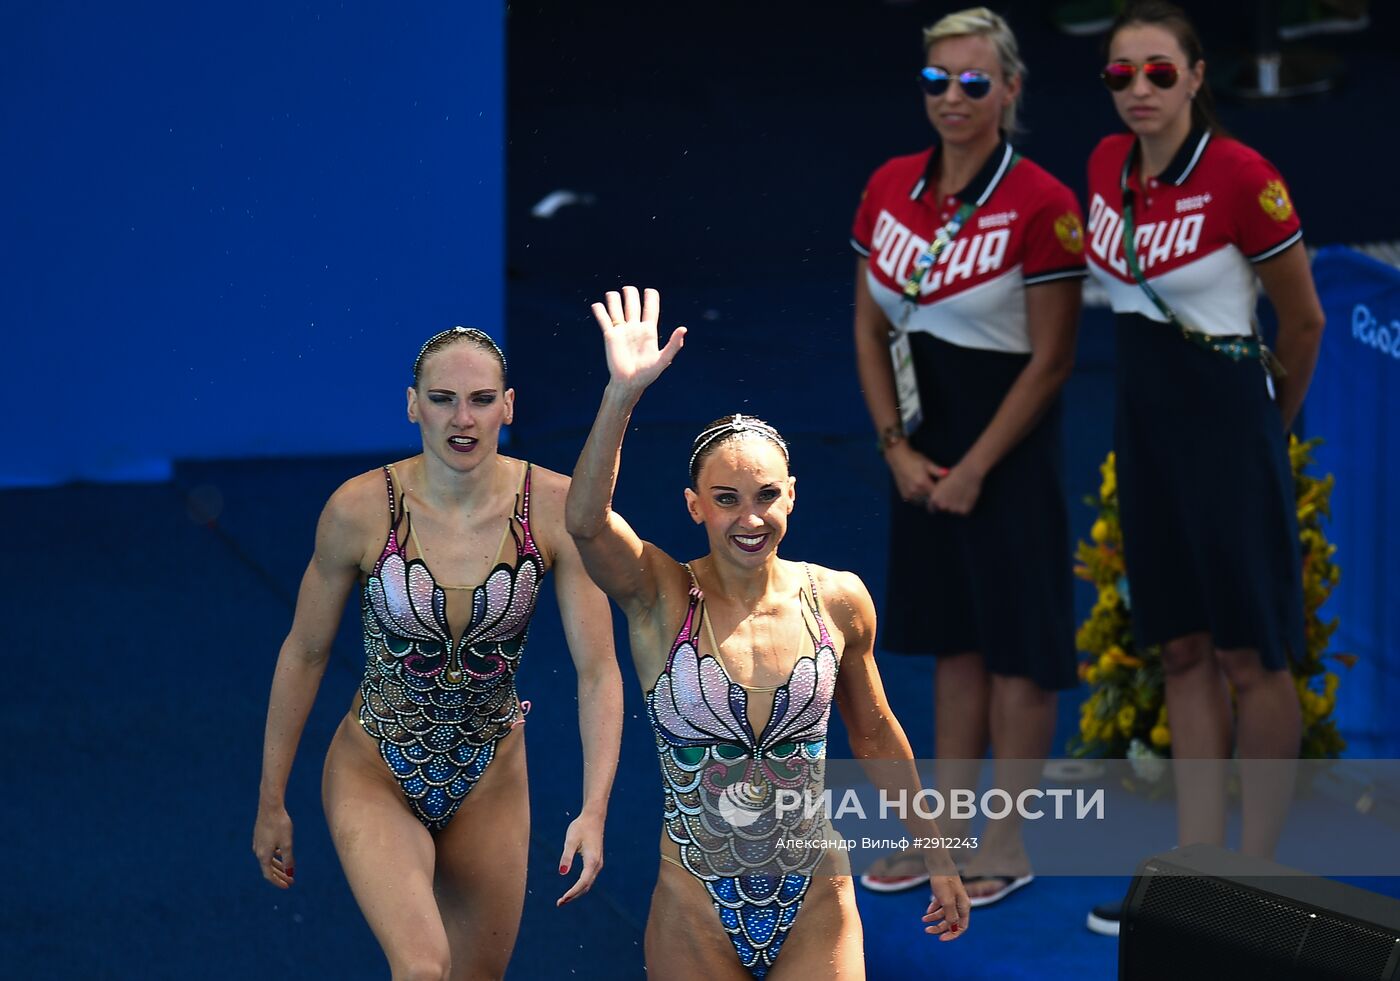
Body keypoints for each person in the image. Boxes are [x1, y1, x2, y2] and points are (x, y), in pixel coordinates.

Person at [566, 286, 970, 978]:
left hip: (817, 897)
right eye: (726, 500)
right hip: (693, 905)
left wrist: (935, 852)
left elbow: (874, 732)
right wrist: (621, 396)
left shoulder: (838, 599)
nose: (749, 518)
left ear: (792, 494)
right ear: (695, 507)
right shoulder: (661, 594)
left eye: (766, 496)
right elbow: (584, 523)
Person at [252, 326, 624, 979]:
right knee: (424, 966)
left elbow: (598, 672)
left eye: (481, 399)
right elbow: (304, 652)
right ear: (411, 404)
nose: (462, 418)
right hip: (375, 771)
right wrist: (270, 798)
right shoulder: (360, 509)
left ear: (508, 405)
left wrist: (594, 808)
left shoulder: (558, 509)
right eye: (443, 398)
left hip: (493, 779)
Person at [1082, 0, 1325, 936]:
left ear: (1194, 77)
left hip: (1229, 430)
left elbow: (1300, 321)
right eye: (1120, 74)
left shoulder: (1242, 177)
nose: (1138, 88)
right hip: (1144, 431)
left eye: (1157, 71)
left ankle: (1253, 880)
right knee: (1179, 645)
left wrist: (1268, 430)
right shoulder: (1105, 166)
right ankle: (1194, 870)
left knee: (1252, 654)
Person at [850, 7, 1086, 906]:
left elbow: (1054, 359)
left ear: (1010, 91)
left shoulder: (1044, 204)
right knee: (955, 644)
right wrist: (896, 450)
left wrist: (980, 464)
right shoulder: (888, 187)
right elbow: (869, 328)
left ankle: (1007, 840)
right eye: (937, 80)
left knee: (1018, 649)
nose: (953, 96)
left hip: (1008, 454)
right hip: (921, 449)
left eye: (974, 82)